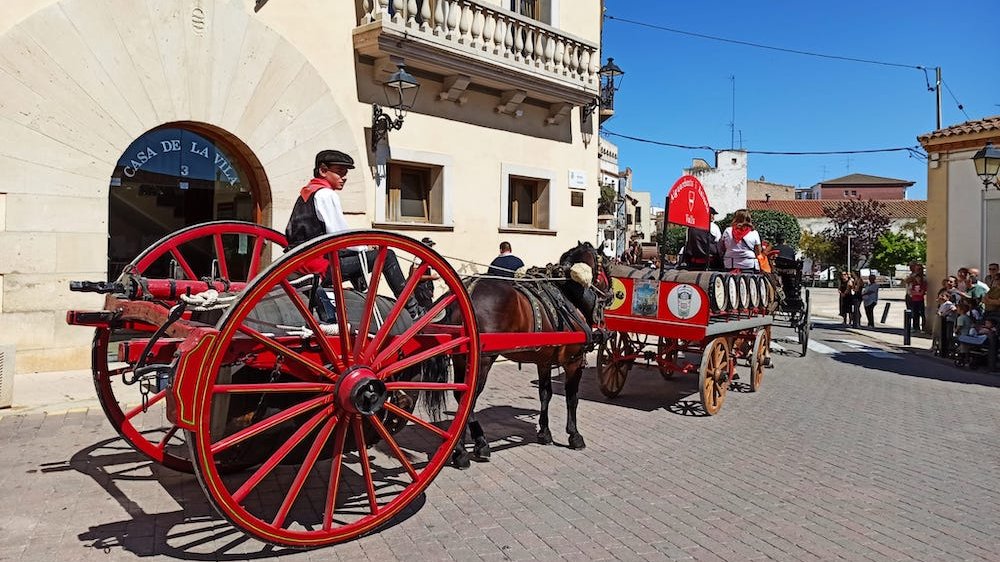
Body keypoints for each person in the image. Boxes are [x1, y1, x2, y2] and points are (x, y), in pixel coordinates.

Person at [285, 149, 424, 319]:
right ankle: (413, 310)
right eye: (340, 172)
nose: (344, 177)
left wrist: (361, 248)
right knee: (386, 255)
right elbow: (340, 236)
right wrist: (365, 246)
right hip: (319, 267)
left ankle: (362, 295)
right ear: (323, 171)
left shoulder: (306, 193)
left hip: (299, 263)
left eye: (346, 173)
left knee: (360, 256)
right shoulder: (326, 194)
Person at [681, 206, 721, 270]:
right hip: (710, 260)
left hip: (693, 260)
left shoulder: (691, 226)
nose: (713, 217)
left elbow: (687, 242)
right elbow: (718, 243)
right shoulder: (714, 227)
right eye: (712, 214)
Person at [410, 237, 441, 310]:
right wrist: (431, 277)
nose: (431, 248)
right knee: (426, 309)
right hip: (420, 291)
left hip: (426, 291)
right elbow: (414, 276)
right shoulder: (418, 259)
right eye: (429, 246)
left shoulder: (427, 258)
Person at [904, 264, 928, 332]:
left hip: (921, 299)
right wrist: (914, 275)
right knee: (912, 313)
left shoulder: (924, 278)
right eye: (916, 268)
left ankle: (923, 327)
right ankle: (915, 327)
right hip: (910, 297)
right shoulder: (912, 276)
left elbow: (922, 291)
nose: (918, 270)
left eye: (919, 269)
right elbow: (906, 281)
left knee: (922, 313)